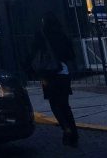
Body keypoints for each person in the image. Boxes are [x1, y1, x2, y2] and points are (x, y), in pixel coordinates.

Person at [29, 12, 78, 147]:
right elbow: (70, 54)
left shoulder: (41, 35)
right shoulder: (62, 34)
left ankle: (66, 128)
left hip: (49, 74)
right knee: (65, 104)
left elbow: (35, 55)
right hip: (64, 72)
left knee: (54, 104)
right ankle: (73, 131)